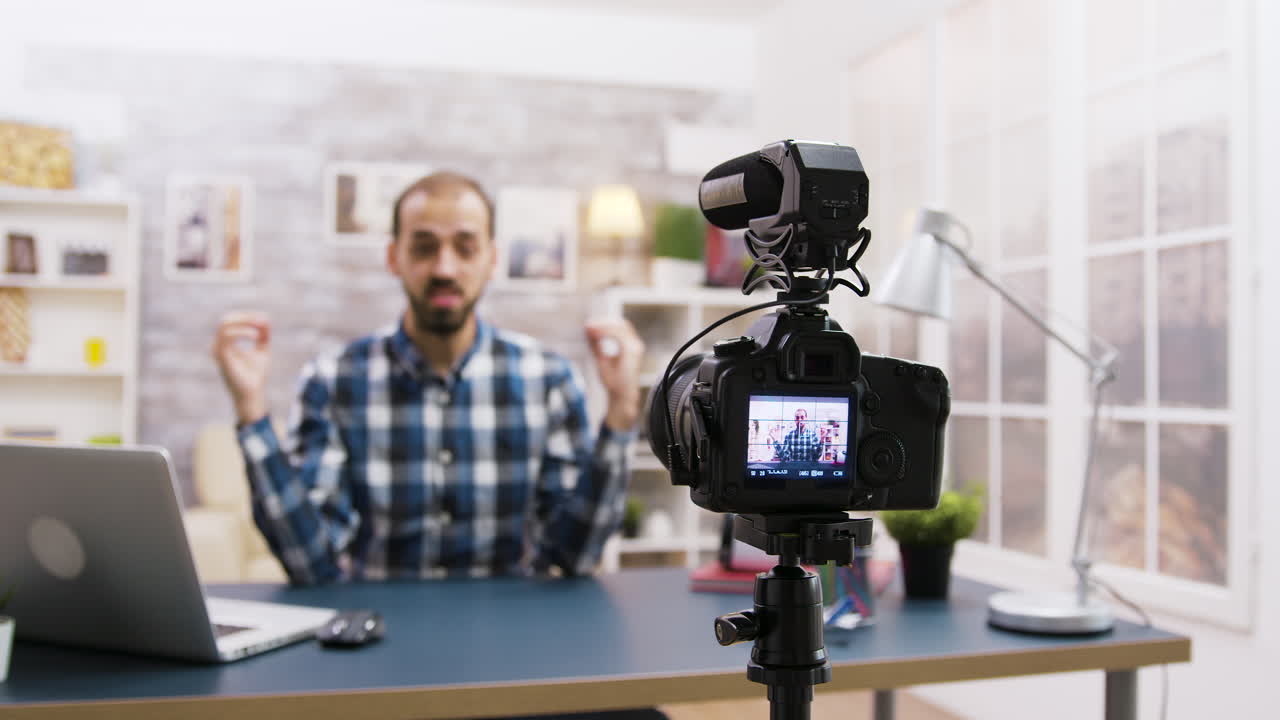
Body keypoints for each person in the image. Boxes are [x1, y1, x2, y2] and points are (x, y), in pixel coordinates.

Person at [212, 171, 646, 584]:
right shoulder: (333, 380)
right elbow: (312, 562)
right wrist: (250, 409)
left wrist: (623, 413)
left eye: (465, 247)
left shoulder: (549, 379)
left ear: (492, 259)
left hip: (515, 640)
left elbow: (574, 557)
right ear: (393, 256)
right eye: (424, 247)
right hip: (379, 641)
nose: (445, 267)